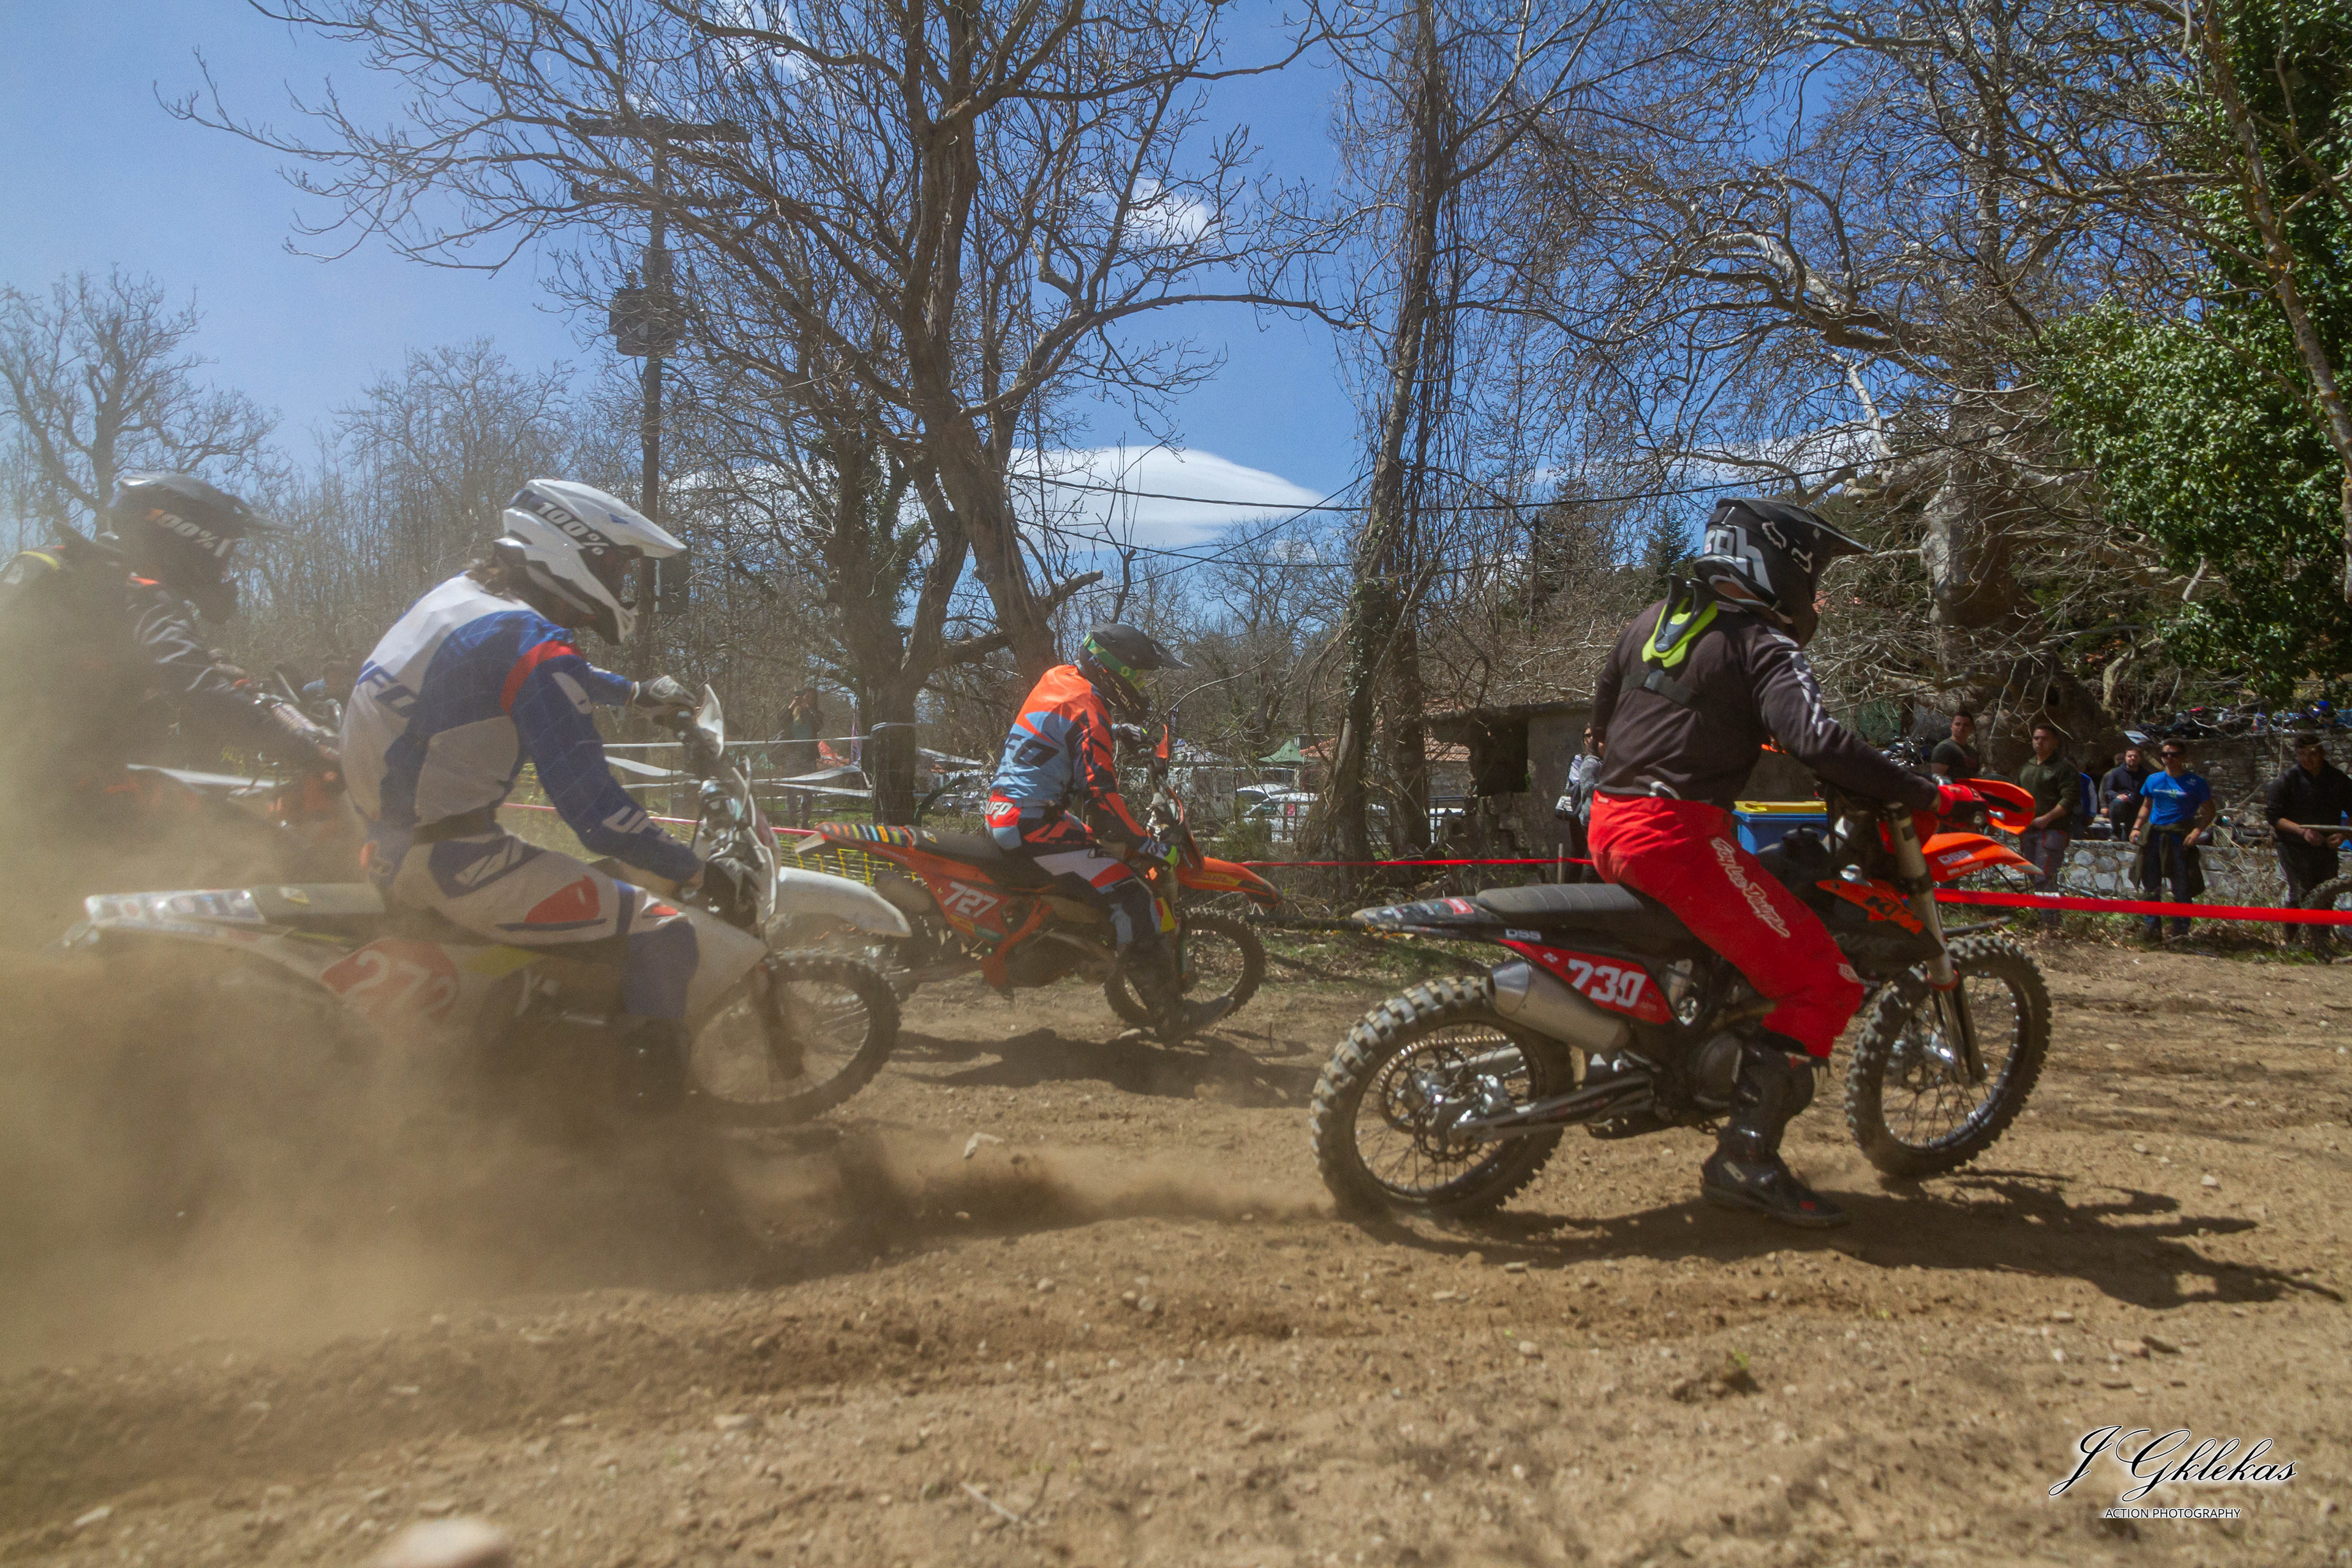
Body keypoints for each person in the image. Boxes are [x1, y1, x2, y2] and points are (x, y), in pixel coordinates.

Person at [1588, 496, 1968, 1229]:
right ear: (1782, 566)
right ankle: (1746, 1158)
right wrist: (1926, 792)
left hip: (1609, 821)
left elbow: (1601, 722)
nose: (1817, 594)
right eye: (1815, 575)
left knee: (1743, 923)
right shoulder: (1761, 640)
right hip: (1676, 838)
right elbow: (1816, 739)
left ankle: (1669, 1057)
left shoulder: (1651, 622)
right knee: (1823, 983)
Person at [341, 479, 760, 1109]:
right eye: (616, 567)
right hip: (451, 861)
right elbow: (596, 812)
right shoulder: (538, 649)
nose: (621, 586)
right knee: (663, 930)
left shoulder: (464, 599)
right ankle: (656, 1121)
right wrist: (697, 871)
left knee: (603, 893)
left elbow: (516, 668)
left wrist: (633, 693)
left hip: (392, 836)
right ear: (573, 553)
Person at [0, 471, 339, 827]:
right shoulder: (143, 594)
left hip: (27, 789)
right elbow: (202, 694)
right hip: (58, 798)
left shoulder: (71, 573)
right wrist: (310, 751)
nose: (225, 573)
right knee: (255, 841)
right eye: (224, 558)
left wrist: (206, 673)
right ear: (192, 543)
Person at [986, 623, 1224, 1039]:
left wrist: (1114, 731)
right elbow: (1104, 805)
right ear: (1114, 672)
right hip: (1032, 823)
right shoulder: (1089, 710)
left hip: (1010, 811)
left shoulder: (1060, 678)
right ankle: (1172, 1017)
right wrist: (1148, 844)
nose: (1142, 687)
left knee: (1094, 856)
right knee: (1135, 896)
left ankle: (1078, 944)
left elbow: (1059, 728)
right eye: (1140, 678)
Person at [2266, 734, 2352, 956]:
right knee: (2300, 892)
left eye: (2312, 754)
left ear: (2322, 753)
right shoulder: (2288, 780)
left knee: (2327, 893)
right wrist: (2302, 831)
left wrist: (2343, 834)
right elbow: (2274, 817)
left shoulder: (2338, 780)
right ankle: (2292, 943)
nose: (2307, 759)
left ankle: (2321, 943)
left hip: (2326, 846)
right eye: (2302, 754)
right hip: (2293, 845)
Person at [2130, 740, 2217, 943]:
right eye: (2165, 755)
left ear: (2184, 757)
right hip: (2154, 836)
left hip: (2179, 837)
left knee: (2181, 885)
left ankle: (2181, 933)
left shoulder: (2196, 783)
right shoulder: (2153, 779)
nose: (2169, 758)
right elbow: (2146, 805)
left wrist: (2197, 831)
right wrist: (2136, 827)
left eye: (2174, 754)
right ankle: (2151, 931)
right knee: (2151, 883)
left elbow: (2210, 811)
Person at [2014, 722, 2077, 931]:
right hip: (2028, 831)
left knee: (2045, 874)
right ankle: (2042, 918)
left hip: (2053, 831)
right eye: (2036, 738)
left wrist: (2047, 819)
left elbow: (2070, 799)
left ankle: (2050, 925)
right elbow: (2017, 797)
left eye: (2044, 739)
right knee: (2033, 875)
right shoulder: (2026, 768)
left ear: (2055, 742)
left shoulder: (2063, 769)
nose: (2039, 742)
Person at [1552, 725, 1603, 882]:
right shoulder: (1579, 759)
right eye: (1588, 735)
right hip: (1579, 810)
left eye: (1595, 735)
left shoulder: (1604, 759)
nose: (1592, 739)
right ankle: (1570, 886)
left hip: (1598, 810)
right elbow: (1580, 783)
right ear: (1583, 739)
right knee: (1578, 850)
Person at [778, 686, 827, 828]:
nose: (808, 699)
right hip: (792, 754)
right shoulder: (792, 712)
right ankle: (792, 821)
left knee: (807, 790)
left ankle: (805, 821)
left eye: (811, 697)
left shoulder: (815, 714)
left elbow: (819, 726)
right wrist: (792, 705)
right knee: (791, 789)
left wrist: (809, 710)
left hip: (808, 755)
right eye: (806, 696)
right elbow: (781, 722)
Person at [2101, 742, 2152, 837]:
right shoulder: (2116, 773)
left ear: (2140, 758)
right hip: (2122, 806)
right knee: (2117, 803)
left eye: (2135, 756)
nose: (2133, 758)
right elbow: (2108, 790)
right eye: (2130, 756)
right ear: (2125, 758)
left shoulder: (2146, 774)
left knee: (2130, 834)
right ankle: (2116, 832)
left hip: (2138, 806)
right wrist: (2117, 796)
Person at [1931, 708, 1981, 780]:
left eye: (1966, 725)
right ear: (1951, 726)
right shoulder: (1943, 749)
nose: (1961, 728)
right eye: (1958, 724)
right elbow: (1938, 778)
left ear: (1972, 728)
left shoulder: (1973, 752)